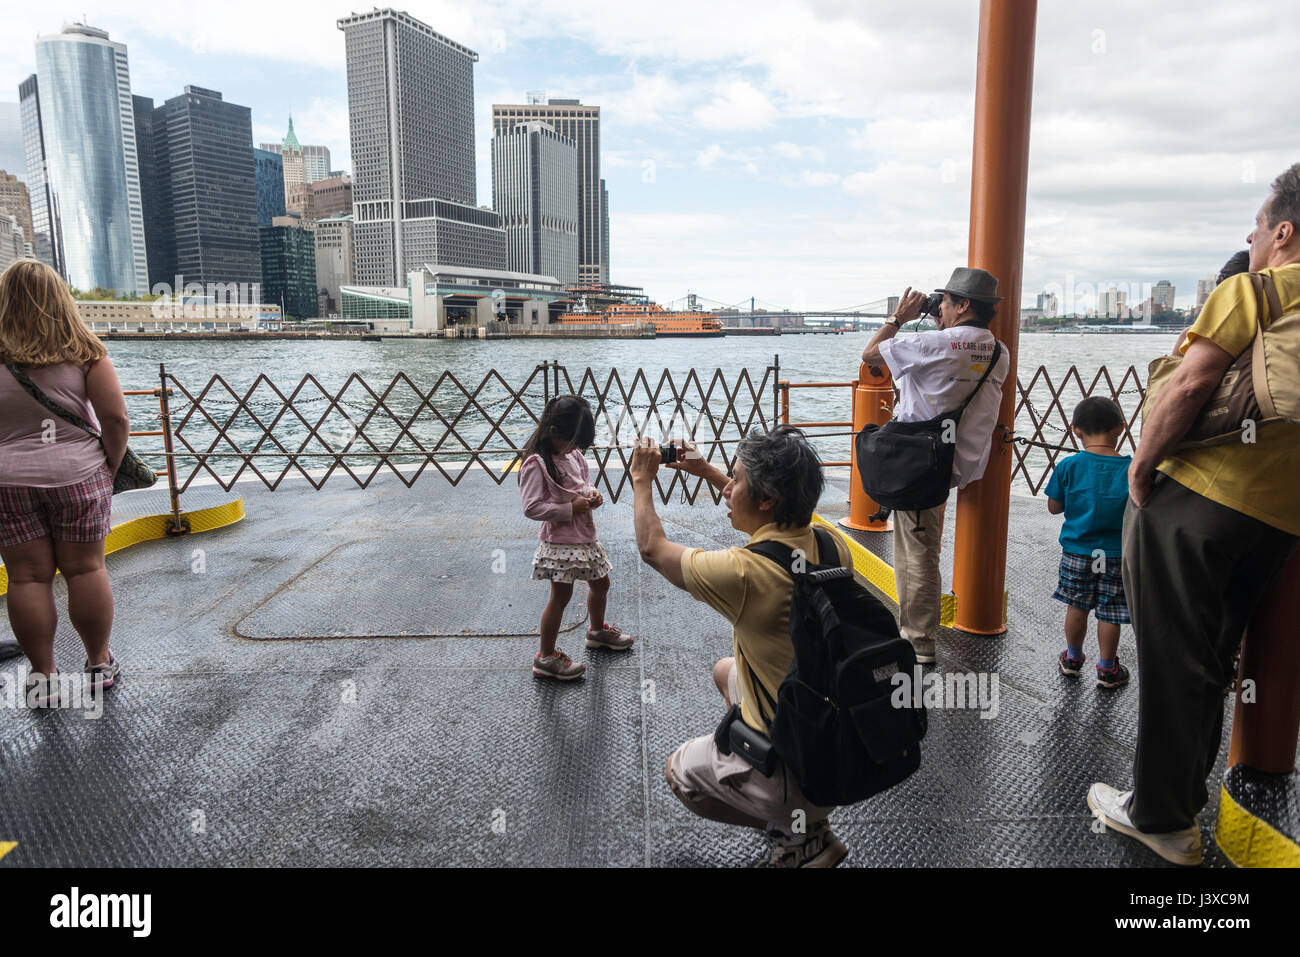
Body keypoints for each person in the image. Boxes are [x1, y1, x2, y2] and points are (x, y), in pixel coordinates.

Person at [1088, 163, 1300, 866]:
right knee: (1211, 658)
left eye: (1257, 225)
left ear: (1283, 231)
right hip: (1276, 519)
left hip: (1198, 499)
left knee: (1174, 656)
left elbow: (1190, 383)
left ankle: (1161, 816)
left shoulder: (1256, 288)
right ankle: (1182, 796)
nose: (1250, 236)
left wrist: (1142, 467)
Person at [631, 426, 854, 867]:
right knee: (724, 670)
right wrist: (708, 472)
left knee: (679, 773)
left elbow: (653, 549)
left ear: (767, 499)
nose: (729, 488)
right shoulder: (832, 545)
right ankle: (799, 816)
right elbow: (770, 538)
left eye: (737, 480)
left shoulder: (744, 575)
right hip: (837, 743)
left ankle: (797, 833)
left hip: (795, 770)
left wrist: (641, 480)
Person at [859, 267, 1011, 663]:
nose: (938, 307)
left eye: (944, 302)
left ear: (962, 305)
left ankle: (919, 642)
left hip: (922, 463)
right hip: (959, 459)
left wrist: (898, 319)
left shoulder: (932, 343)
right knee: (919, 546)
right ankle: (916, 633)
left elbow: (871, 355)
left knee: (918, 554)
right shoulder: (998, 351)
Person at [0, 259, 128, 706]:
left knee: (26, 579)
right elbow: (115, 419)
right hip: (78, 474)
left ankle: (43, 678)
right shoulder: (84, 351)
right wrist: (107, 469)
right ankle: (97, 664)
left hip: (8, 482)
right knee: (85, 570)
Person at [518, 394, 633, 681]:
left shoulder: (574, 455)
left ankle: (596, 631)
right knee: (561, 595)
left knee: (602, 582)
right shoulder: (537, 463)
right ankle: (545, 657)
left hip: (585, 537)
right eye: (570, 442)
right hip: (560, 543)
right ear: (553, 431)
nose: (572, 449)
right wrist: (569, 509)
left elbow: (582, 483)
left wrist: (591, 493)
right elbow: (531, 507)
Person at [1045, 397, 1131, 688]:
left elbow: (1054, 507)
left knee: (1077, 606)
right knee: (1111, 611)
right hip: (1116, 554)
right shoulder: (1130, 469)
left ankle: (1072, 658)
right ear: (1121, 427)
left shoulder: (1069, 466)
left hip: (1077, 551)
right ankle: (1107, 668)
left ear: (1076, 430)